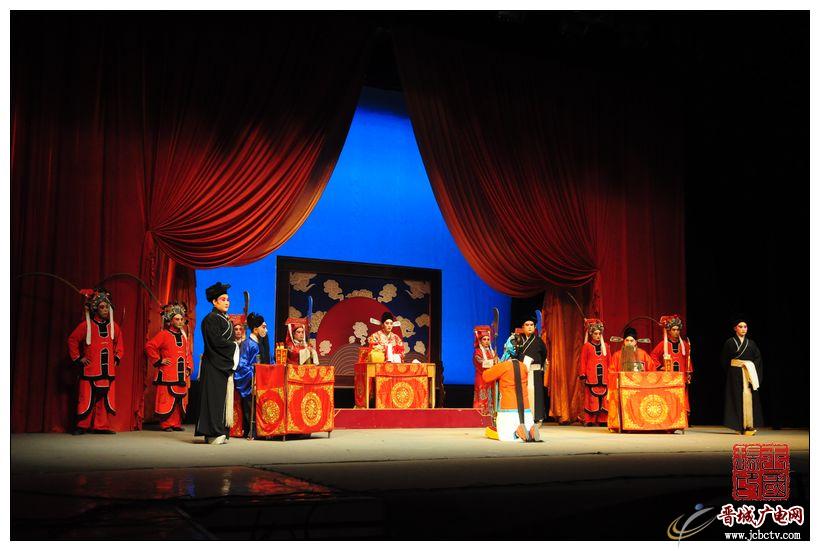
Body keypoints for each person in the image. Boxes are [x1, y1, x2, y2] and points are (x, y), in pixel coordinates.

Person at [67, 287, 122, 435]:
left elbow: (120, 345)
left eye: (107, 307)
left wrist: (117, 357)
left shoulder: (114, 327)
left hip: (107, 370)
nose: (105, 310)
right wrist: (78, 358)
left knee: (103, 399)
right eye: (102, 307)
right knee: (86, 398)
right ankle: (82, 426)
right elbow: (72, 340)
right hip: (91, 369)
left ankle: (101, 426)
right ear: (95, 309)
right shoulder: (86, 325)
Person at [195, 282, 239, 445]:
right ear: (214, 302)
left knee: (221, 399)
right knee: (213, 399)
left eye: (227, 299)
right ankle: (213, 432)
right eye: (223, 299)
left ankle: (220, 430)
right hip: (214, 364)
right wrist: (234, 346)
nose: (227, 302)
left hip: (222, 364)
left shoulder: (224, 318)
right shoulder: (210, 319)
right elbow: (216, 342)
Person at [145, 302, 193, 431]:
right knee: (167, 399)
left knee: (178, 399)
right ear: (171, 320)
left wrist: (188, 368)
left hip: (181, 373)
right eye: (177, 319)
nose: (180, 321)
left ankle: (176, 423)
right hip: (168, 373)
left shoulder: (184, 336)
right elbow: (150, 346)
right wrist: (159, 360)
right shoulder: (164, 334)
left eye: (181, 319)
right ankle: (166, 424)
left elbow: (188, 353)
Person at [721, 318, 763, 436]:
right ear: (735, 328)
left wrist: (753, 370)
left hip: (748, 372)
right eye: (740, 326)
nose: (743, 329)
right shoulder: (730, 342)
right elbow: (724, 359)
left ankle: (749, 425)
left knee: (749, 397)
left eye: (745, 327)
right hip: (735, 373)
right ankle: (737, 426)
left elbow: (758, 358)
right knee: (736, 398)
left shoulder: (751, 343)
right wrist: (730, 372)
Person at [502, 316, 548, 423]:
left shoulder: (539, 341)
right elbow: (513, 353)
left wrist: (539, 364)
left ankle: (536, 416)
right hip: (521, 370)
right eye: (527, 325)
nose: (530, 327)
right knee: (522, 393)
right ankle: (522, 417)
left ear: (535, 327)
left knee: (535, 393)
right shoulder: (517, 340)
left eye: (532, 325)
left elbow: (544, 354)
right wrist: (525, 359)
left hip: (535, 371)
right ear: (523, 327)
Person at [481, 359, 540, 442]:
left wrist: (492, 367)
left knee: (504, 436)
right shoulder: (523, 367)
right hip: (525, 409)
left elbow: (485, 376)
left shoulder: (503, 366)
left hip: (508, 409)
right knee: (526, 424)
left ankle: (517, 434)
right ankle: (531, 430)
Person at [651, 315, 693, 412]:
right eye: (674, 330)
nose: (676, 332)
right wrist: (660, 367)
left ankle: (682, 416)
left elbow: (688, 359)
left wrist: (689, 373)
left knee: (681, 398)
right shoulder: (663, 344)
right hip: (669, 376)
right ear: (669, 331)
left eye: (678, 330)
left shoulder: (684, 345)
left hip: (681, 376)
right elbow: (653, 355)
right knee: (669, 398)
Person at [235, 312, 267, 438]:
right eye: (263, 327)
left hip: (261, 378)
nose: (265, 330)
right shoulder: (248, 344)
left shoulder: (260, 343)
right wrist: (254, 373)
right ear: (255, 329)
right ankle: (251, 430)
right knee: (249, 406)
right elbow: (242, 365)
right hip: (251, 380)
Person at [579, 318, 609, 427]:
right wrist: (583, 374)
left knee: (604, 399)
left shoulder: (606, 346)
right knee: (591, 399)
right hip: (592, 376)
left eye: (599, 334)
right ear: (591, 334)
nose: (598, 336)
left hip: (604, 377)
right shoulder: (587, 346)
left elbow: (609, 361)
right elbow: (583, 360)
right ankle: (590, 420)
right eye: (595, 334)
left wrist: (610, 373)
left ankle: (603, 420)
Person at [472, 325, 496, 415]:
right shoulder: (477, 352)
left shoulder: (492, 351)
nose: (486, 341)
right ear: (480, 341)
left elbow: (497, 362)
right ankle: (480, 414)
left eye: (488, 339)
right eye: (484, 339)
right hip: (481, 377)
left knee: (491, 396)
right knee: (482, 395)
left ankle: (491, 415)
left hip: (491, 378)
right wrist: (493, 362)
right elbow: (481, 363)